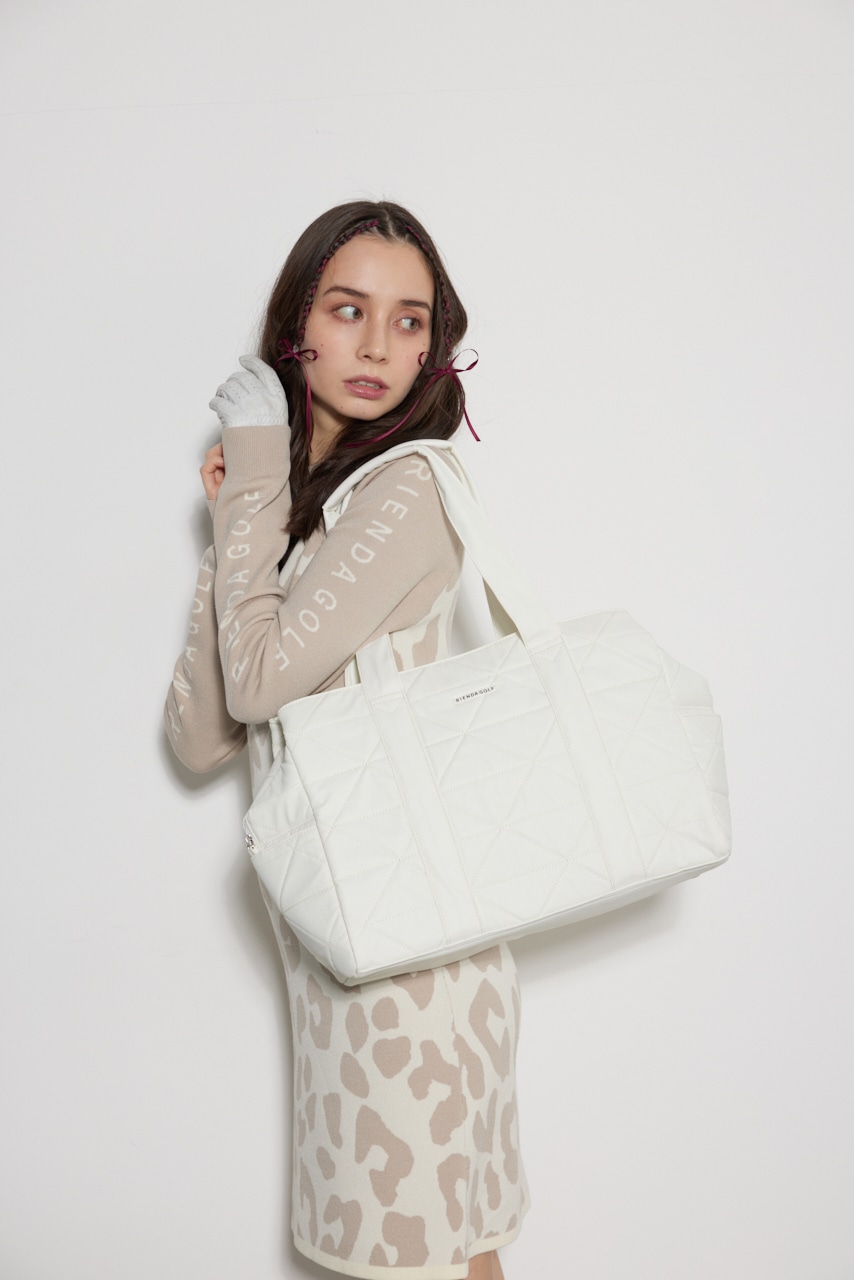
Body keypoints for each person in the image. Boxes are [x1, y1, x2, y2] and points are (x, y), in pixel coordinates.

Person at [164, 200, 528, 1280]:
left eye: (408, 320)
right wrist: (242, 518)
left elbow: (260, 680)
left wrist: (255, 478)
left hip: (409, 959)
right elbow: (201, 736)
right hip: (347, 941)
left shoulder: (405, 490)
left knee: (425, 1257)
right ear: (298, 328)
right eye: (347, 308)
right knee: (439, 1255)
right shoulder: (310, 510)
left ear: (431, 345)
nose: (377, 346)